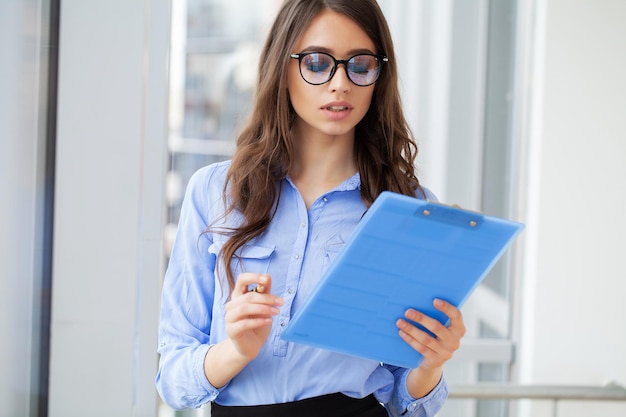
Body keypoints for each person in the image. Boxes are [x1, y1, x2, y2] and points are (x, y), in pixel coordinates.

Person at [156, 0, 466, 416]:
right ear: (282, 68)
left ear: (379, 75)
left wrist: (431, 363)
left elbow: (402, 399)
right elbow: (174, 379)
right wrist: (236, 350)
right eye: (318, 63)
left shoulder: (409, 207)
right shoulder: (215, 191)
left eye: (360, 65)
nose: (340, 84)